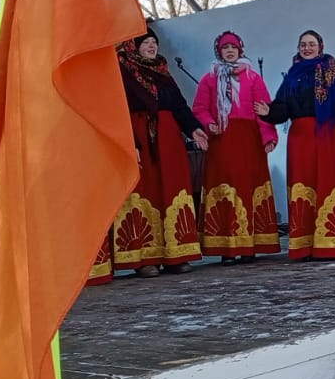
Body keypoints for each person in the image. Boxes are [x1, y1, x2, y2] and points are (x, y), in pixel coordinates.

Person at [92, 28, 209, 281]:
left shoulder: (163, 71)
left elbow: (179, 105)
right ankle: (144, 259)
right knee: (146, 193)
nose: (151, 46)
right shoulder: (122, 70)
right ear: (133, 47)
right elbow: (118, 109)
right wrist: (130, 142)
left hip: (169, 142)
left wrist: (194, 128)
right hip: (140, 138)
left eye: (154, 42)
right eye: (145, 42)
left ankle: (176, 255)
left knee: (171, 191)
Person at [260, 29, 335, 260]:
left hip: (329, 135)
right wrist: (269, 112)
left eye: (311, 44)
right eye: (303, 44)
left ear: (320, 46)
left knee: (331, 182)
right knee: (306, 185)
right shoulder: (292, 74)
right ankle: (306, 245)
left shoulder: (330, 68)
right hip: (301, 138)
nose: (307, 48)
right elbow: (283, 107)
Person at [192, 30, 279, 263]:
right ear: (219, 52)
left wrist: (268, 135)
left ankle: (249, 246)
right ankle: (227, 248)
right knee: (225, 186)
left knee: (248, 185)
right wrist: (210, 125)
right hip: (222, 139)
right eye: (225, 48)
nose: (229, 51)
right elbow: (199, 108)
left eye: (233, 47)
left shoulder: (252, 77)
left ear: (240, 50)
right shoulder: (209, 78)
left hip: (248, 140)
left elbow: (263, 108)